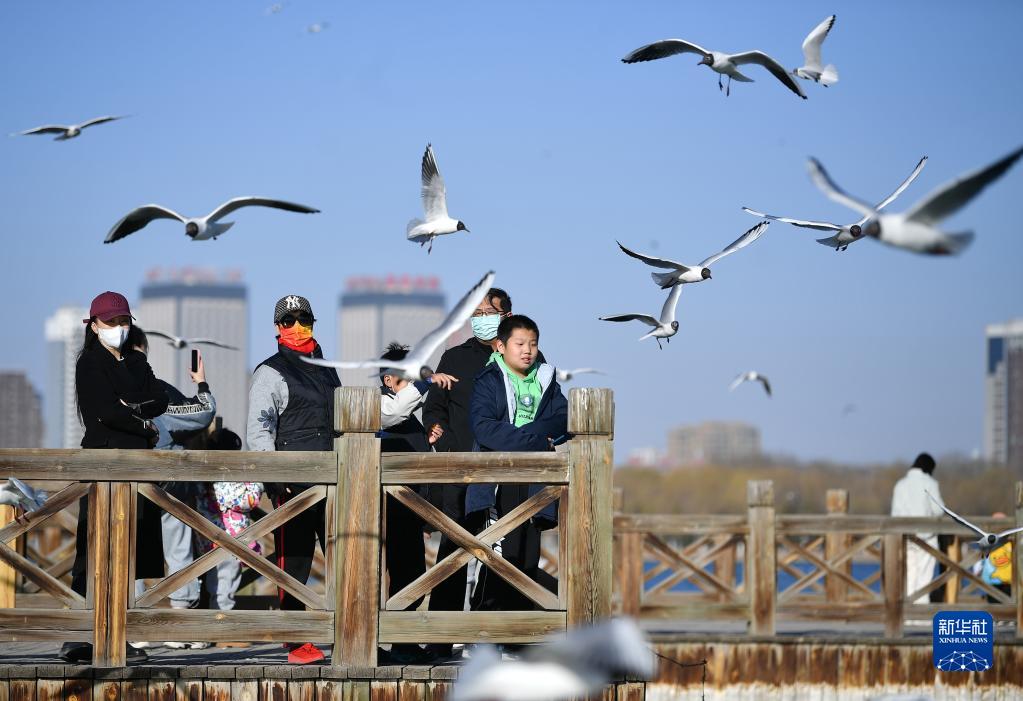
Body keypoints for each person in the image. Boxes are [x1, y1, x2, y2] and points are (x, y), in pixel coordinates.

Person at [422, 288, 544, 660]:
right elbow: (434, 407)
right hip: (461, 472)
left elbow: (544, 403)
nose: (480, 317)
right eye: (474, 312)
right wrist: (436, 432)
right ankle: (442, 637)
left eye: (487, 311)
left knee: (513, 553)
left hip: (510, 473)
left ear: (506, 315)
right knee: (453, 554)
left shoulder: (525, 358)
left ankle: (503, 634)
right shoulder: (454, 357)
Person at [62, 292, 169, 663]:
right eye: (110, 322)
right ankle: (78, 638)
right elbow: (103, 412)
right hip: (102, 463)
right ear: (94, 325)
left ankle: (117, 635)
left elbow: (160, 399)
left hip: (137, 466)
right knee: (93, 550)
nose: (119, 328)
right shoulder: (88, 362)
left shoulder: (137, 360)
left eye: (124, 321)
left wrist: (130, 405)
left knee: (127, 552)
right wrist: (140, 416)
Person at [247, 294, 339, 665]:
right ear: (277, 328)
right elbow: (259, 429)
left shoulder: (328, 368)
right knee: (294, 560)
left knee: (347, 555)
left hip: (335, 476)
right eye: (289, 321)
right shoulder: (269, 371)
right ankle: (296, 640)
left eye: (304, 320)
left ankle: (348, 631)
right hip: (293, 483)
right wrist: (274, 474)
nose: (297, 327)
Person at [467, 314, 567, 612]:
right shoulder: (489, 379)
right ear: (500, 346)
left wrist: (525, 434)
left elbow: (563, 418)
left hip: (536, 479)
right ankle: (485, 631)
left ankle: (517, 639)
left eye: (533, 344)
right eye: (520, 343)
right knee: (499, 555)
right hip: (499, 478)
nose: (527, 350)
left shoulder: (546, 379)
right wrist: (537, 439)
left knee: (527, 554)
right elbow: (484, 427)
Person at [127, 326, 216, 640]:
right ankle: (181, 626)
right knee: (177, 548)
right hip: (168, 479)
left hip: (124, 479)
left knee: (131, 551)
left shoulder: (106, 388)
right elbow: (203, 414)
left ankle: (134, 625)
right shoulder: (157, 391)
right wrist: (201, 383)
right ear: (144, 350)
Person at [376, 342, 454, 663]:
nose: (410, 384)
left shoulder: (408, 418)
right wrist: (424, 382)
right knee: (397, 570)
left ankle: (403, 642)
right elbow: (391, 417)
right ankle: (395, 641)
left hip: (411, 506)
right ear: (388, 381)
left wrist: (427, 440)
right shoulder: (379, 406)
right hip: (389, 507)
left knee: (412, 571)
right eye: (404, 378)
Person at [195, 427, 262, 614]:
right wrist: (257, 483)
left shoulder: (205, 476)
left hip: (211, 538)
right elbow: (249, 500)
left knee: (218, 582)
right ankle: (222, 622)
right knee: (225, 581)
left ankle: (217, 618)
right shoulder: (225, 479)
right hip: (228, 539)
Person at [890, 452, 945, 606]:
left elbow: (895, 514)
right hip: (926, 536)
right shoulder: (930, 483)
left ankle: (908, 612)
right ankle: (920, 614)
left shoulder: (900, 484)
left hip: (905, 537)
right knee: (924, 577)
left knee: (908, 575)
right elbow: (939, 510)